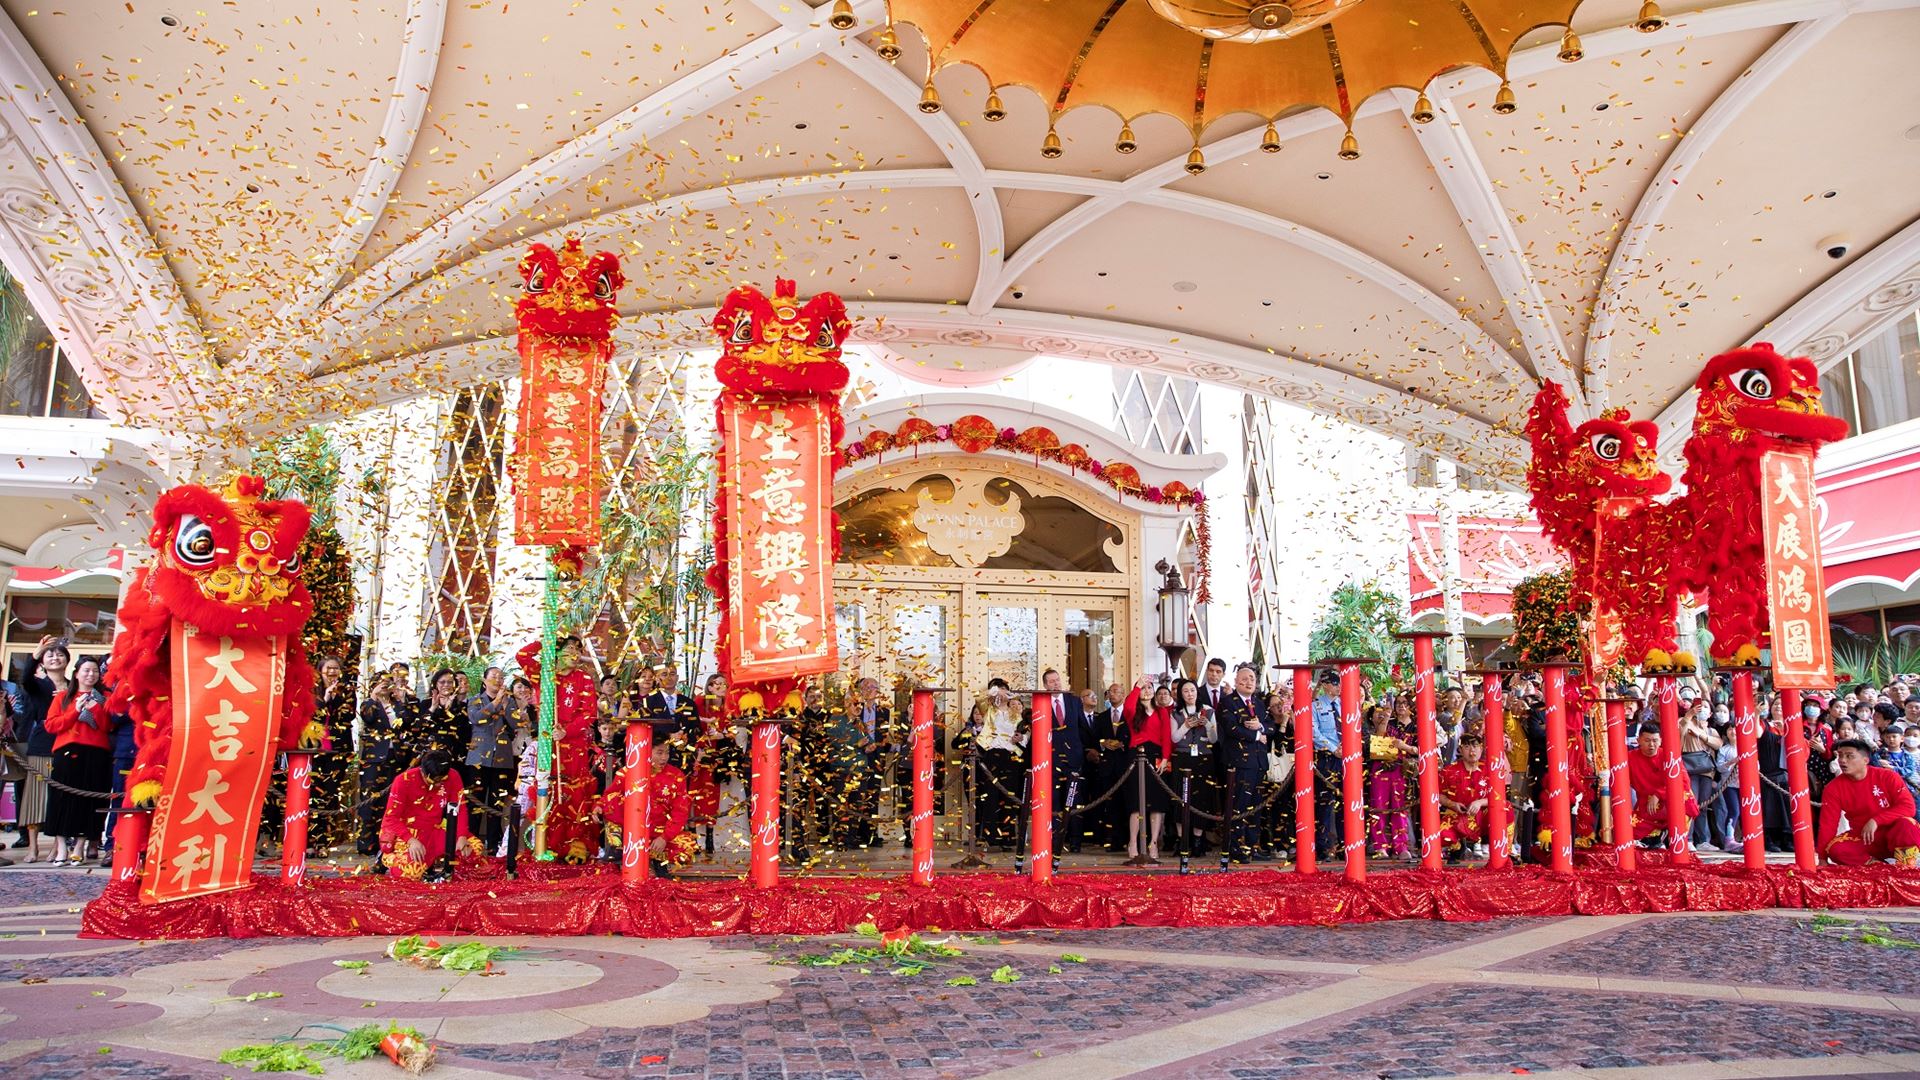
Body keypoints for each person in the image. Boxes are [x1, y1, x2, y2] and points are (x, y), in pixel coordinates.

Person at [516, 636, 599, 862]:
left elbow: (589, 713)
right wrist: (546, 640)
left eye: (578, 649)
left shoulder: (584, 678)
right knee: (548, 789)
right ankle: (545, 843)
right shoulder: (544, 675)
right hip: (547, 744)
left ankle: (576, 845)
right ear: (558, 652)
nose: (575, 653)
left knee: (575, 795)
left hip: (574, 746)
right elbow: (522, 656)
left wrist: (568, 731)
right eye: (570, 648)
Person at [41, 656, 108, 866]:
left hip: (96, 753)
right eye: (86, 670)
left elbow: (108, 726)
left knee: (90, 799)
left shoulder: (105, 697)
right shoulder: (63, 697)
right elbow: (51, 726)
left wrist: (96, 707)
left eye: (95, 671)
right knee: (61, 798)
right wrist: (76, 710)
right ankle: (61, 846)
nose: (91, 674)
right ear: (76, 673)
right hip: (67, 751)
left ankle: (80, 845)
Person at [9, 635, 70, 863]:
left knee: (60, 798)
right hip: (42, 745)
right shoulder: (38, 686)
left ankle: (58, 845)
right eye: (50, 654)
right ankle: (33, 847)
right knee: (35, 798)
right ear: (43, 662)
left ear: (67, 660)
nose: (55, 657)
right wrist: (35, 654)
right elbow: (25, 678)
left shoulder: (74, 685)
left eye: (60, 654)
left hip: (67, 745)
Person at [602, 737, 698, 875]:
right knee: (611, 802)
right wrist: (599, 807)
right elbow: (609, 796)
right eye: (659, 753)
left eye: (667, 753)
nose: (664, 757)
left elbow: (680, 811)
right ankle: (616, 851)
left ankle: (659, 861)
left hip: (660, 831)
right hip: (633, 830)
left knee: (687, 847)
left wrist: (664, 837)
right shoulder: (630, 771)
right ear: (646, 751)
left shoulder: (677, 776)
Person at [378, 748, 479, 880]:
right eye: (434, 781)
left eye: (441, 780)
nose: (438, 784)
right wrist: (411, 840)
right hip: (408, 833)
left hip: (435, 829)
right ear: (423, 771)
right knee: (410, 873)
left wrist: (461, 837)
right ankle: (388, 857)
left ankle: (433, 861)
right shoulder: (403, 780)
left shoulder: (453, 776)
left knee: (474, 850)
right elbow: (391, 818)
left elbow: (459, 809)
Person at [1819, 739, 1920, 867]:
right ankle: (1882, 868)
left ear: (1865, 760)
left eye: (1849, 756)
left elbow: (1908, 808)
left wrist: (1876, 820)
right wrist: (1822, 858)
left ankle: (1906, 868)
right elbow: (1828, 824)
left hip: (1894, 833)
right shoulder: (1833, 788)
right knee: (1836, 849)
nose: (1842, 760)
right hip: (1863, 837)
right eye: (1840, 755)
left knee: (1907, 824)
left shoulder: (1888, 776)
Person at [1218, 663, 1272, 863]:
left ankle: (1252, 846)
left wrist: (1261, 728)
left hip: (1259, 762)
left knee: (1255, 807)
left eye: (1252, 679)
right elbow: (1231, 728)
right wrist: (1257, 735)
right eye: (1245, 678)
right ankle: (1234, 847)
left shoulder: (1258, 704)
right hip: (1239, 762)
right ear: (1236, 681)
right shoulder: (1227, 702)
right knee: (1238, 805)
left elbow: (1270, 726)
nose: (1249, 682)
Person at [963, 678, 1025, 849]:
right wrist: (994, 692)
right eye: (999, 691)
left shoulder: (1016, 712)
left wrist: (1021, 738)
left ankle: (1008, 837)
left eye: (1005, 690)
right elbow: (979, 698)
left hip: (1012, 755)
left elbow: (1025, 733)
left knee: (1009, 796)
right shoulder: (989, 709)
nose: (1002, 694)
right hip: (992, 755)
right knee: (991, 796)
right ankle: (991, 836)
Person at [465, 665, 520, 853]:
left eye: (500, 677)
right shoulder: (474, 701)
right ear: (484, 680)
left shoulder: (509, 702)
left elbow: (516, 724)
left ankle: (493, 844)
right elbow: (477, 719)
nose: (497, 680)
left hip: (502, 758)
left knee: (497, 802)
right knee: (476, 801)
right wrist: (496, 702)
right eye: (493, 676)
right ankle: (472, 843)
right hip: (479, 757)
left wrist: (506, 706)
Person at [1119, 678, 1173, 864]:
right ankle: (1133, 842)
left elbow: (1166, 736)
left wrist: (1165, 758)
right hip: (1137, 756)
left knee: (1157, 803)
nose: (1147, 691)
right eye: (1144, 688)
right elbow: (1127, 707)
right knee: (1136, 802)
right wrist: (1136, 688)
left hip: (1157, 757)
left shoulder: (1162, 712)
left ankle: (1153, 843)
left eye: (1149, 687)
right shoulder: (1134, 711)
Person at [1038, 668, 1090, 854]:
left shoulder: (1074, 701)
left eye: (1057, 680)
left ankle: (1075, 840)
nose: (1055, 684)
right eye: (1051, 681)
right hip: (1050, 759)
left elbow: (1083, 728)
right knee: (1053, 800)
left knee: (1074, 798)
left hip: (1073, 759)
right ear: (1045, 685)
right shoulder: (1041, 702)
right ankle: (1054, 839)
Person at [309, 656, 356, 851]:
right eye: (328, 668)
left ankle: (325, 842)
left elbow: (349, 715)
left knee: (330, 795)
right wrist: (325, 698)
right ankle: (310, 841)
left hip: (338, 750)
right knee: (313, 795)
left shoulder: (347, 691)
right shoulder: (312, 690)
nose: (332, 672)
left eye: (336, 668)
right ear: (320, 670)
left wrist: (336, 698)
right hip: (314, 748)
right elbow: (311, 714)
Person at [356, 674, 406, 855]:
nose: (385, 687)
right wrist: (374, 696)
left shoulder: (398, 705)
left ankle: (386, 840)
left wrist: (401, 697)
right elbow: (367, 718)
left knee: (389, 801)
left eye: (387, 684)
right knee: (369, 801)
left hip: (395, 756)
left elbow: (408, 722)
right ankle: (366, 842)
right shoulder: (369, 704)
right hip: (374, 758)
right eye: (381, 683)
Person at [1168, 677, 1218, 857]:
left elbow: (1214, 739)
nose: (1190, 694)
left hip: (1203, 758)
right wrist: (1186, 726)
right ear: (1181, 694)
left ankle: (1198, 840)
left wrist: (1209, 725)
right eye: (1186, 691)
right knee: (1181, 796)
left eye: (1193, 690)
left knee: (1201, 799)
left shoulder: (1208, 710)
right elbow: (1174, 738)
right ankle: (1182, 840)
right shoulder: (1175, 713)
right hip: (1182, 757)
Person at [1627, 721, 1695, 846]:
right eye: (1647, 740)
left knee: (1684, 802)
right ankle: (1657, 837)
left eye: (1655, 740)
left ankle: (1674, 838)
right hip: (1647, 805)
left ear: (1660, 740)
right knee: (1629, 830)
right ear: (1638, 740)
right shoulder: (1629, 758)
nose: (1651, 745)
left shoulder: (1669, 756)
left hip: (1671, 799)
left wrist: (1659, 794)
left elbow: (1684, 781)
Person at [1364, 702, 1415, 859]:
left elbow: (1417, 748)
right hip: (1380, 769)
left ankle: (1401, 846)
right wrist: (1384, 720)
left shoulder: (1407, 727)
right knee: (1378, 807)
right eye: (1398, 703)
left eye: (1404, 702)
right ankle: (1380, 846)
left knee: (1399, 808)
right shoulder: (1380, 725)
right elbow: (1379, 744)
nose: (1401, 706)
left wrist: (1404, 746)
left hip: (1400, 770)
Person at [1437, 732, 1493, 861]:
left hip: (1482, 816)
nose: (1472, 750)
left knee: (1505, 808)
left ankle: (1502, 852)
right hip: (1458, 815)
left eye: (1475, 746)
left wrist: (1480, 802)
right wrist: (1452, 804)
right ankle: (1458, 848)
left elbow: (1499, 796)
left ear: (1481, 748)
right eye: (1467, 747)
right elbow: (1439, 795)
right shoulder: (1448, 771)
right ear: (1460, 750)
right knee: (1441, 836)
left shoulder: (1490, 769)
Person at [1679, 698, 1724, 850]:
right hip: (1689, 770)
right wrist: (1688, 717)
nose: (1702, 709)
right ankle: (1688, 838)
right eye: (1699, 706)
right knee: (1690, 803)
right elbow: (1678, 738)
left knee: (1703, 806)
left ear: (1710, 713)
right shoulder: (1684, 722)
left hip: (1707, 771)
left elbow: (1718, 744)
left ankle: (1703, 840)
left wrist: (1700, 734)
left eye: (1705, 707)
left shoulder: (1712, 730)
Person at [1309, 669, 1343, 861]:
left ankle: (1345, 844)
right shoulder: (1315, 706)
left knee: (1346, 802)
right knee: (1325, 804)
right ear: (1326, 685)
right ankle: (1322, 847)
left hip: (1345, 757)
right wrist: (1332, 748)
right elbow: (1314, 733)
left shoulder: (1344, 704)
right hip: (1326, 758)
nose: (1338, 687)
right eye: (1335, 683)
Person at [415, 669, 470, 766]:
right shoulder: (426, 703)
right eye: (442, 682)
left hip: (454, 755)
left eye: (450, 682)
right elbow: (418, 727)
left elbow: (463, 732)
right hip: (429, 756)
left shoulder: (462, 706)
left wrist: (449, 709)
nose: (446, 685)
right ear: (435, 684)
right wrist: (432, 708)